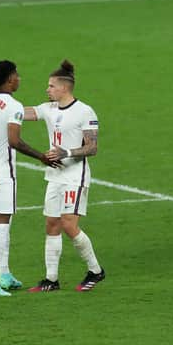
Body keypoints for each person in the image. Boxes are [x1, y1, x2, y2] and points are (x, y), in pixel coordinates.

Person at [0, 60, 58, 297]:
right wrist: (41, 157)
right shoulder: (14, 105)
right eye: (17, 75)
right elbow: (15, 141)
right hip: (2, 173)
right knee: (0, 224)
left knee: (2, 222)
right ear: (9, 79)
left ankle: (4, 274)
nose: (19, 79)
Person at [24, 60, 105, 292]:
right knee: (51, 223)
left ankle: (96, 271)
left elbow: (92, 147)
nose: (47, 90)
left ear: (64, 88)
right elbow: (21, 113)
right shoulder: (49, 109)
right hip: (54, 176)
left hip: (75, 177)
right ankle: (51, 279)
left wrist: (66, 152)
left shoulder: (85, 111)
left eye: (51, 86)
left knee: (69, 225)